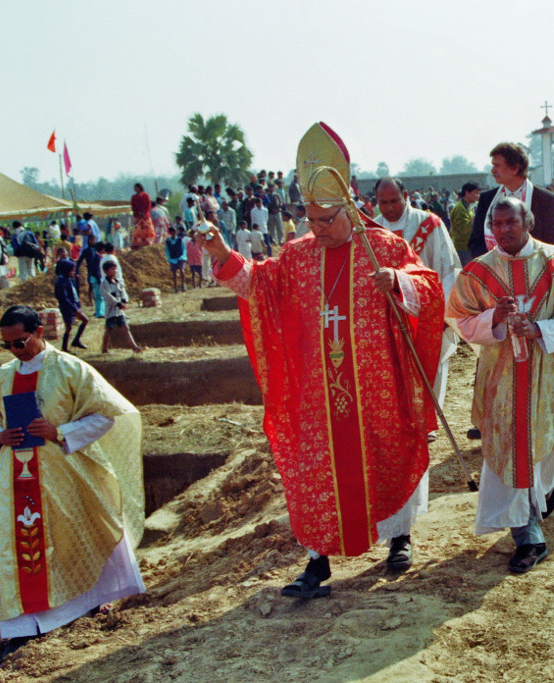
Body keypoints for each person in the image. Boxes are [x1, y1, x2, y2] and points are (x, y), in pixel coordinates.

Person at [202, 122, 444, 594]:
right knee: (319, 469)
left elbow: (430, 288)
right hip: (319, 389)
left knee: (386, 452)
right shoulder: (296, 256)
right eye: (310, 220)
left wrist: (398, 282)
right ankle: (317, 560)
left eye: (326, 221)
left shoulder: (385, 248)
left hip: (376, 383)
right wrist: (223, 253)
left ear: (350, 212)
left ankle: (399, 537)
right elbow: (259, 285)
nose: (317, 229)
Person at [446, 196, 554, 573]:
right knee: (507, 446)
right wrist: (494, 318)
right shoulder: (477, 271)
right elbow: (460, 320)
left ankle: (540, 496)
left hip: (550, 368)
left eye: (511, 222)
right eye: (497, 224)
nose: (504, 229)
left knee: (549, 442)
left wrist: (539, 328)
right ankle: (526, 533)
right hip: (502, 374)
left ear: (527, 221)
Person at [0, 305, 144, 654]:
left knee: (71, 538)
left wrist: (60, 431)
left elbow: (109, 413)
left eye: (21, 342)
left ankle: (81, 605)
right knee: (16, 547)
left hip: (62, 472)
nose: (15, 351)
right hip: (13, 480)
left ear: (40, 332)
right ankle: (23, 625)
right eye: (7, 345)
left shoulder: (70, 369)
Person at [374, 177, 462, 423]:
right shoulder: (372, 229)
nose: (390, 208)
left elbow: (448, 268)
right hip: (388, 313)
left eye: (394, 201)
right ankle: (400, 421)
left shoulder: (429, 224)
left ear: (406, 196)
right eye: (383, 202)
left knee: (429, 364)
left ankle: (428, 421)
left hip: (427, 310)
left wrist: (444, 312)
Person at [468, 142, 554, 257]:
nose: (492, 170)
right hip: (495, 271)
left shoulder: (546, 200)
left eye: (497, 165)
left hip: (534, 271)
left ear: (514, 168)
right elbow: (476, 243)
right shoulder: (487, 199)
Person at [100, 262, 143, 353]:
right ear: (106, 271)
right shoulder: (104, 284)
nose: (115, 271)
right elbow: (108, 296)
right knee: (109, 330)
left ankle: (134, 347)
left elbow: (123, 292)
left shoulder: (118, 282)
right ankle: (104, 348)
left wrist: (124, 300)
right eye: (112, 269)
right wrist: (118, 303)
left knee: (125, 329)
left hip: (119, 311)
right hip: (111, 310)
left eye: (115, 269)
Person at [53, 257, 88, 351]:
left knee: (71, 326)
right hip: (67, 307)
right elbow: (63, 298)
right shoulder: (60, 282)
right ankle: (67, 346)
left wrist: (76, 280)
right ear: (66, 270)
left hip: (73, 305)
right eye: (72, 271)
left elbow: (75, 291)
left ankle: (74, 342)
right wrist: (75, 309)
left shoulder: (69, 279)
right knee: (75, 324)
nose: (73, 272)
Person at [449, 182, 480, 266]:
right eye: (475, 193)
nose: (477, 196)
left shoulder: (467, 207)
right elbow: (463, 229)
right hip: (463, 247)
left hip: (467, 246)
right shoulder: (460, 208)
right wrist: (474, 220)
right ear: (467, 193)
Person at [75, 236, 105, 318]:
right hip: (91, 271)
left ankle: (99, 310)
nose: (92, 241)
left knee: (99, 292)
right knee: (92, 288)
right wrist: (76, 271)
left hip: (98, 271)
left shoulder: (97, 250)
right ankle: (91, 303)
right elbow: (79, 261)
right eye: (91, 239)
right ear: (88, 241)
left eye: (93, 239)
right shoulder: (86, 251)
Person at [130, 183, 155, 248]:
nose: (135, 189)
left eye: (136, 187)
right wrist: (138, 213)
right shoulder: (133, 197)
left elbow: (148, 205)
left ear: (139, 187)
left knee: (147, 229)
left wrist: (145, 213)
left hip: (145, 216)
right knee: (138, 230)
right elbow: (133, 207)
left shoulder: (145, 195)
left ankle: (148, 242)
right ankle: (138, 244)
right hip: (138, 216)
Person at [163, 227, 187, 292]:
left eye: (174, 232)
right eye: (172, 232)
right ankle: (175, 288)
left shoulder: (179, 240)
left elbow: (183, 248)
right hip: (173, 258)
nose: (173, 234)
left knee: (182, 270)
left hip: (180, 257)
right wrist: (169, 259)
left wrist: (183, 257)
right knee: (174, 273)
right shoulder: (168, 241)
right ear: (170, 233)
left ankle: (183, 285)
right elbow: (167, 250)